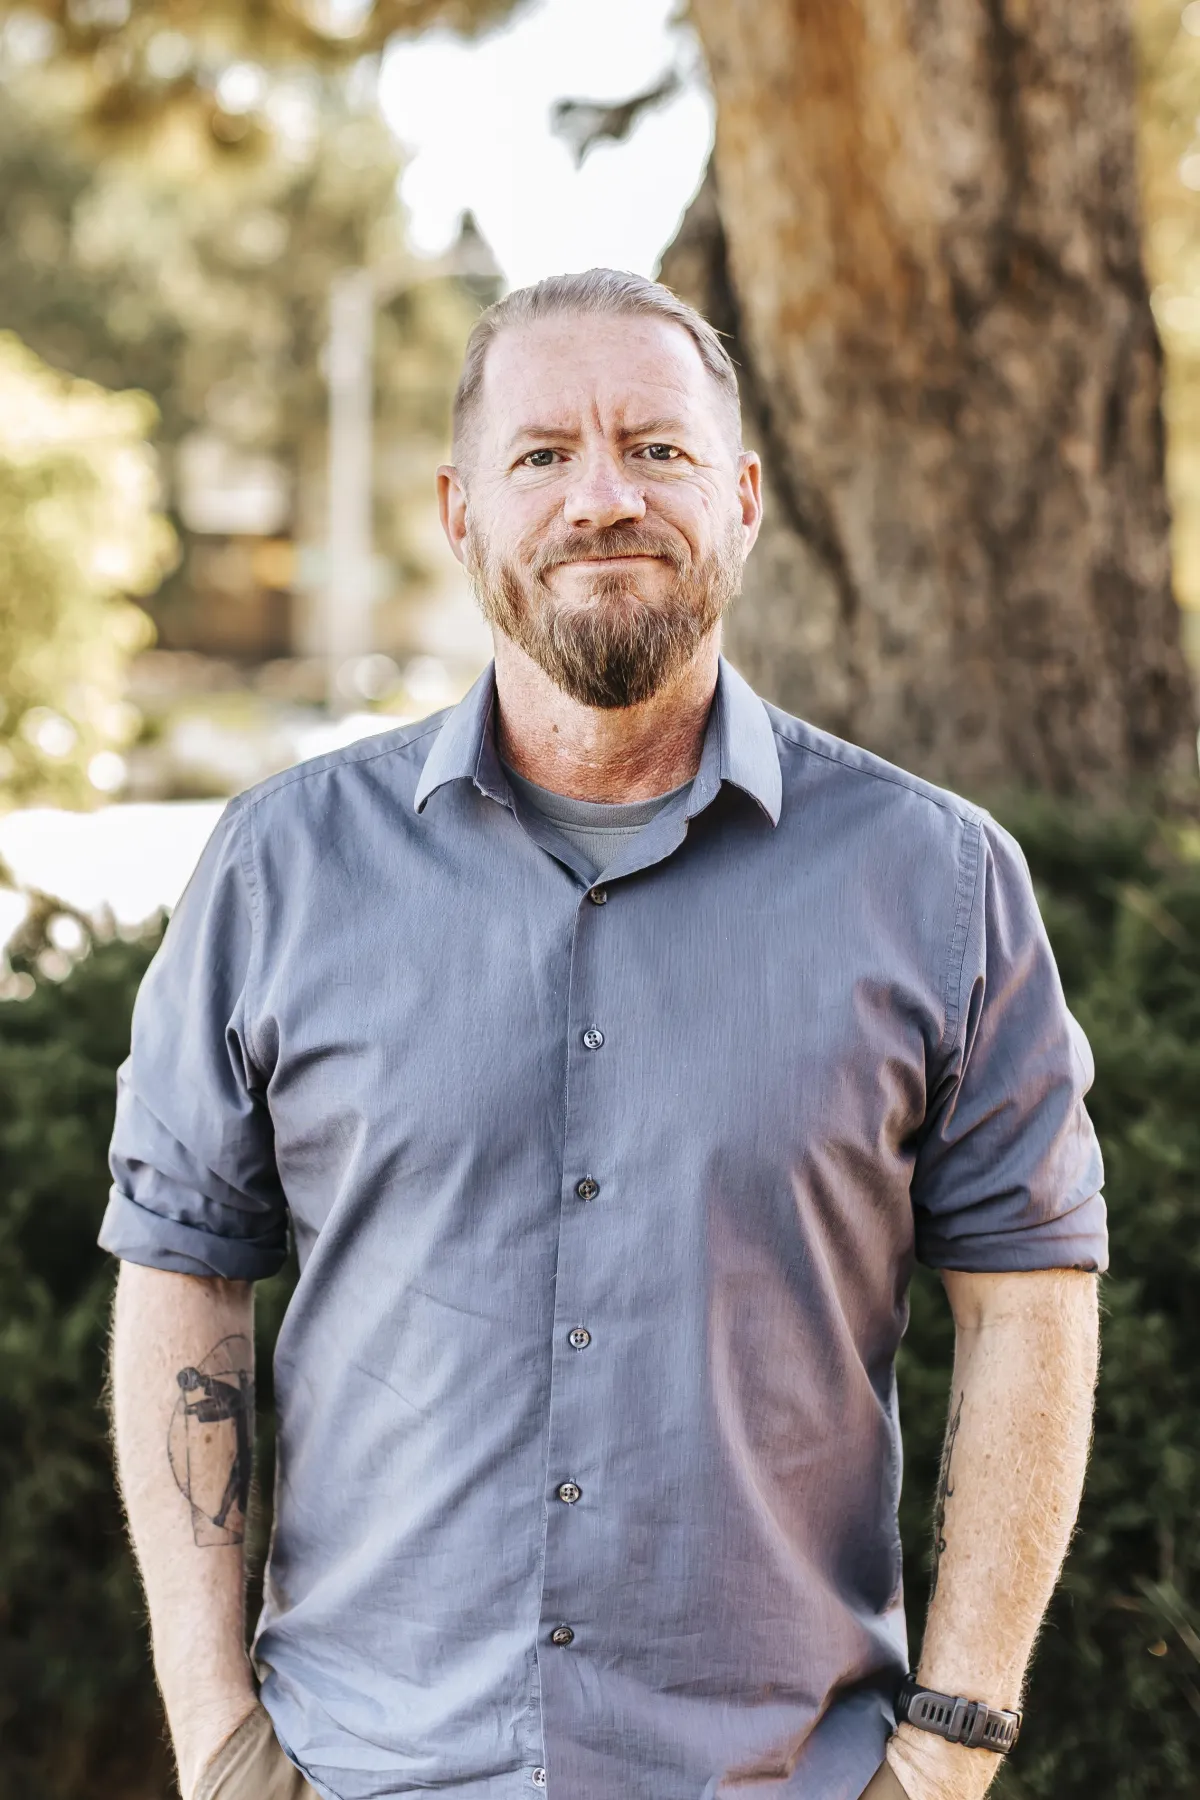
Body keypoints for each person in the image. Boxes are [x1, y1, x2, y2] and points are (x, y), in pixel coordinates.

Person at [103, 270, 1106, 1800]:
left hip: (787, 1775)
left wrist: (951, 1747)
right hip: (360, 1766)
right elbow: (181, 1267)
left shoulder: (941, 883)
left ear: (745, 497)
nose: (602, 496)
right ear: (458, 509)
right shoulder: (277, 869)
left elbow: (1031, 1295)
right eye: (542, 454)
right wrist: (217, 1739)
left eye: (657, 448)